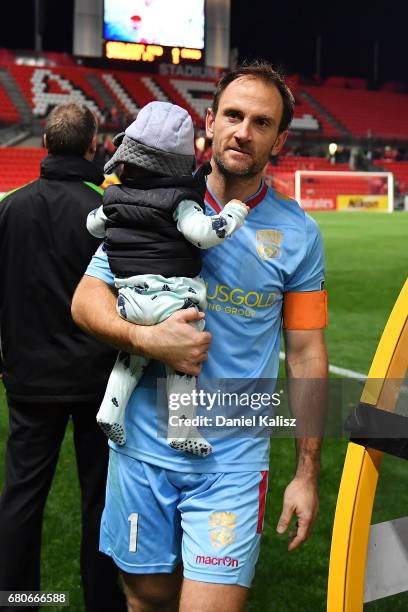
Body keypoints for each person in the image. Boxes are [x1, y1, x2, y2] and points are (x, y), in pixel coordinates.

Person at [72, 61, 329, 612]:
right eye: (233, 116)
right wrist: (145, 340)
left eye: (261, 123)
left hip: (232, 463)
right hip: (141, 450)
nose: (243, 131)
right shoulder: (150, 200)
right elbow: (85, 301)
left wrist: (307, 473)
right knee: (148, 602)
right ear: (208, 122)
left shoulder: (299, 235)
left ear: (280, 139)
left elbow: (306, 355)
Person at [0, 103, 126, 612]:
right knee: (99, 497)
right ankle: (102, 602)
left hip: (29, 378)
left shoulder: (10, 208)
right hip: (97, 379)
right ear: (94, 148)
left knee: (22, 496)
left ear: (45, 146)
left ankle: (17, 600)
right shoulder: (104, 216)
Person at [87, 101, 248, 454]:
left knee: (130, 358)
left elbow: (93, 224)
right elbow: (204, 233)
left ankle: (109, 409)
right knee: (184, 357)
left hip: (128, 302)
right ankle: (181, 426)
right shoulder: (180, 199)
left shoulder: (113, 196)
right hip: (173, 303)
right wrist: (234, 212)